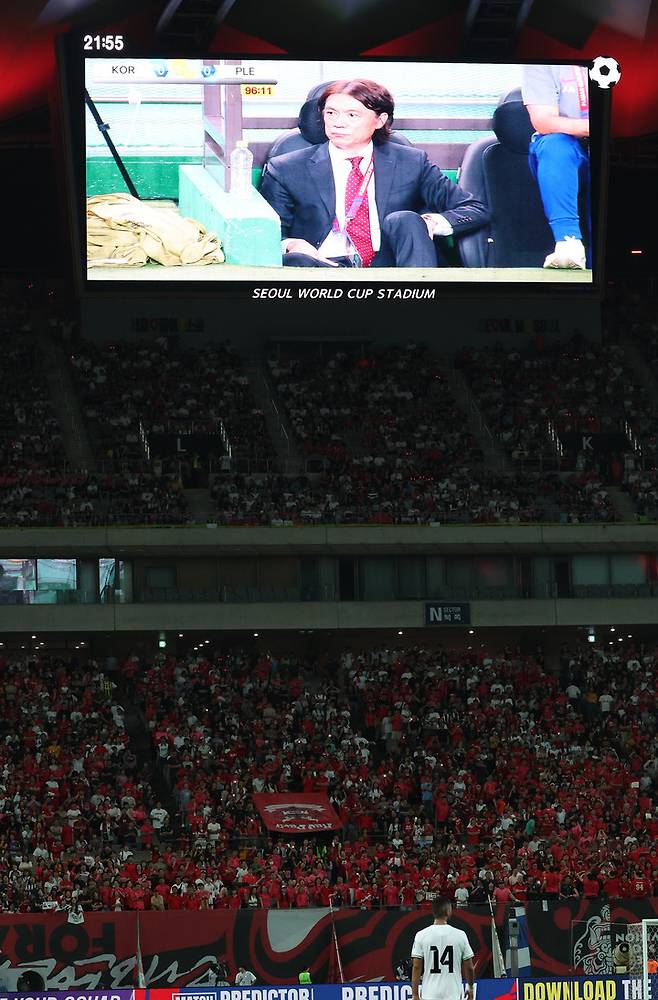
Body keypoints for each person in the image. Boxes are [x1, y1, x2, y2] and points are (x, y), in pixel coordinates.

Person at [260, 78, 490, 268]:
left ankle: (417, 306)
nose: (338, 123)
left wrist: (430, 222)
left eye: (352, 115)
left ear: (380, 120)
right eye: (331, 113)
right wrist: (291, 244)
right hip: (322, 265)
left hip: (392, 264)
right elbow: (268, 235)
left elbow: (475, 209)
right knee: (297, 258)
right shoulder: (286, 168)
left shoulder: (410, 161)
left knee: (407, 220)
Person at [522, 64, 590, 270]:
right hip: (567, 148)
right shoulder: (542, 59)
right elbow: (543, 121)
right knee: (554, 144)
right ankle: (568, 240)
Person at [411, 897, 475, 1000]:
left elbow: (417, 967)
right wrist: (470, 988)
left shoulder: (421, 935)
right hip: (453, 994)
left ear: (433, 912)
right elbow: (469, 967)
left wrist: (415, 994)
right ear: (448, 911)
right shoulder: (460, 935)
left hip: (429, 994)